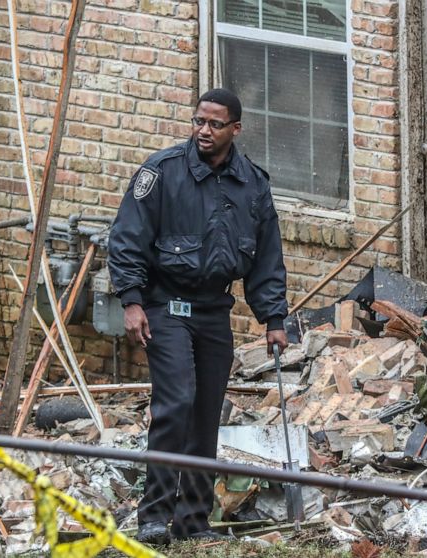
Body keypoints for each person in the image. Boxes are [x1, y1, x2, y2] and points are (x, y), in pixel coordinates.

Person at [108, 88, 288, 544]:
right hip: (165, 305)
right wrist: (131, 300)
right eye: (198, 121)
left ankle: (193, 522)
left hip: (213, 309)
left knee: (207, 413)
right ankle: (152, 517)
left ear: (235, 129)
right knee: (177, 402)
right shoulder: (162, 173)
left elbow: (267, 258)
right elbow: (127, 237)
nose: (203, 131)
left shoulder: (253, 184)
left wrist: (274, 319)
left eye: (214, 124)